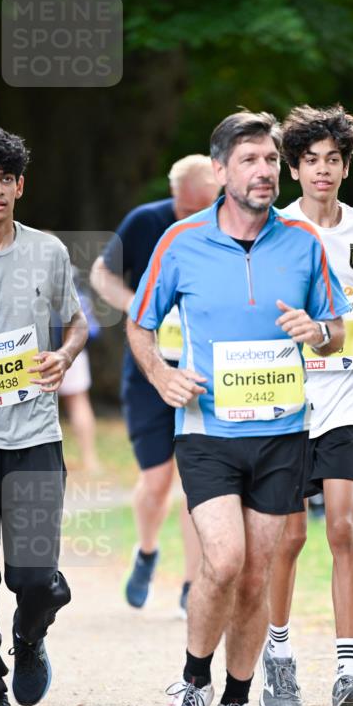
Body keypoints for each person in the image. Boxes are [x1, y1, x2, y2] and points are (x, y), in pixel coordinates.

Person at [126, 110, 348, 706]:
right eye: (249, 160)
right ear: (220, 170)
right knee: (222, 562)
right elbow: (140, 324)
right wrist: (161, 375)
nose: (263, 172)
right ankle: (191, 687)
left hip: (283, 431)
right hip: (207, 428)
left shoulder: (304, 242)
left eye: (271, 161)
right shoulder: (180, 242)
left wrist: (318, 332)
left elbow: (333, 328)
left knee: (256, 577)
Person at [259, 104, 353, 706]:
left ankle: (347, 672)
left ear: (346, 167)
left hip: (342, 388)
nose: (323, 170)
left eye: (333, 160)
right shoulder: (273, 227)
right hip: (284, 394)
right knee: (289, 536)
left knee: (342, 529)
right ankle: (278, 650)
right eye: (311, 160)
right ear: (294, 169)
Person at [0, 126, 87, 706]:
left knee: (34, 577)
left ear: (20, 186)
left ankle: (31, 632)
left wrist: (65, 356)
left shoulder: (47, 252)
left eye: (4, 179)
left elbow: (75, 324)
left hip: (35, 436)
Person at [90, 155, 219, 616]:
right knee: (157, 479)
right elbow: (100, 275)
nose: (189, 220)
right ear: (173, 195)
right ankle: (146, 551)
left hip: (202, 371)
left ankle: (190, 584)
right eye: (183, 210)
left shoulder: (231, 224)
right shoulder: (146, 221)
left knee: (193, 481)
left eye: (199, 211)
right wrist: (135, 306)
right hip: (148, 368)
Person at [58, 266, 101, 473]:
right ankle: (90, 460)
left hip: (35, 352)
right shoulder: (71, 275)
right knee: (78, 402)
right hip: (73, 350)